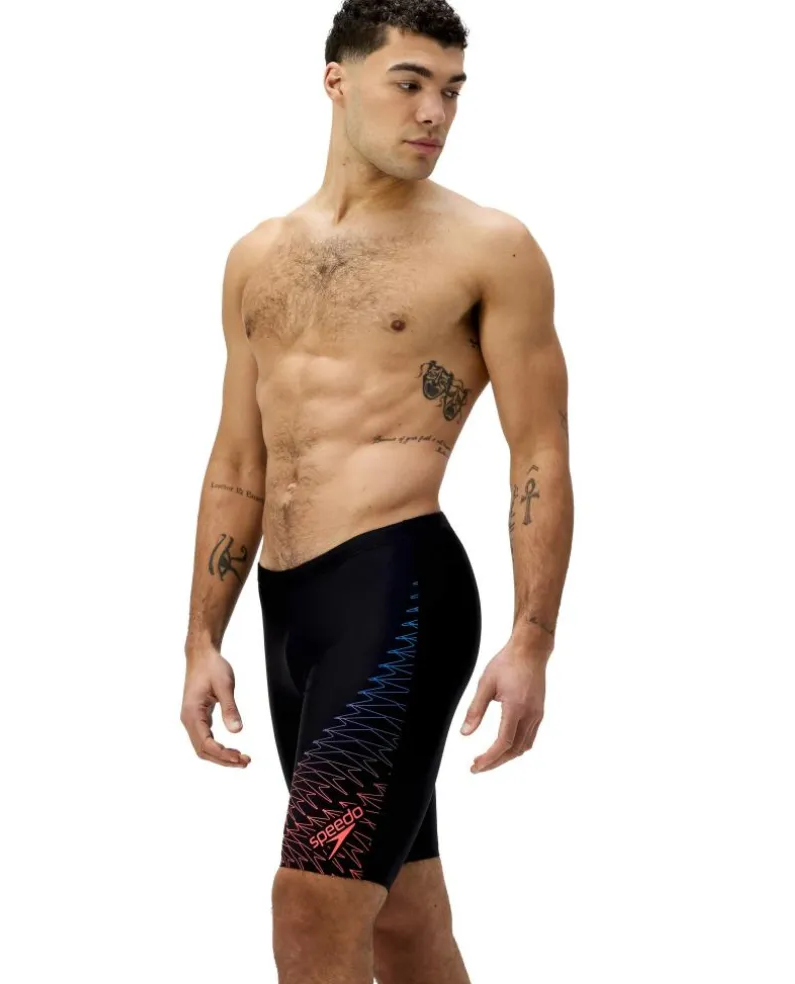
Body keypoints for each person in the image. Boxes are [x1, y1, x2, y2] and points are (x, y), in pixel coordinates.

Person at [181, 1, 574, 980]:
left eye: (451, 91)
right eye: (409, 84)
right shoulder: (257, 257)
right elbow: (238, 460)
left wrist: (531, 639)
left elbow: (538, 453)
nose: (434, 112)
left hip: (398, 595)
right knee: (402, 916)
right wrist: (201, 639)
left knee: (313, 905)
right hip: (288, 610)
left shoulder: (490, 248)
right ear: (337, 81)